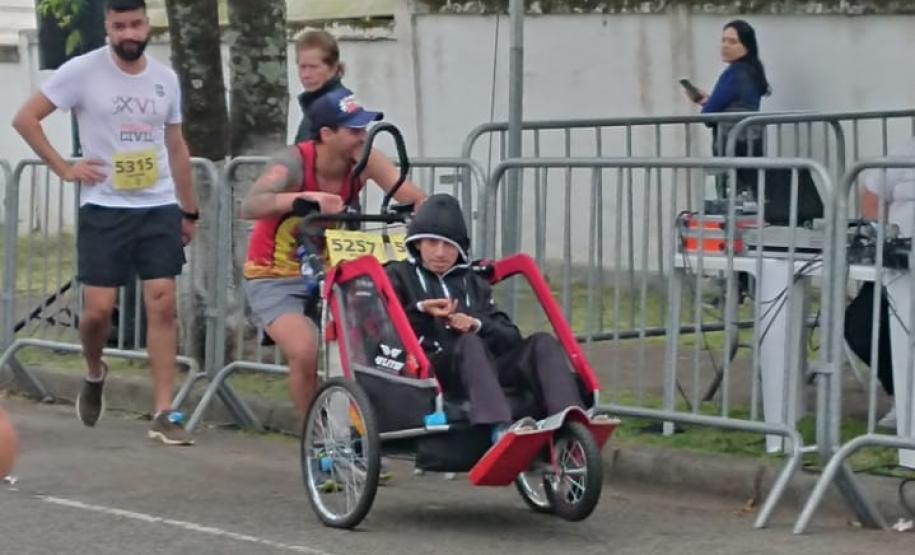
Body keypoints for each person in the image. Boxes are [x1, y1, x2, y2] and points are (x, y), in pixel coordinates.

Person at [11, 0, 197, 445]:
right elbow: (25, 119)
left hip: (157, 204)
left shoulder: (165, 78)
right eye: (119, 26)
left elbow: (176, 145)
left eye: (136, 24)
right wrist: (64, 167)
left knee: (162, 304)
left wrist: (188, 209)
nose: (129, 34)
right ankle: (95, 371)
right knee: (96, 312)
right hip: (105, 206)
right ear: (107, 28)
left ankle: (164, 411)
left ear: (147, 24)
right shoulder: (82, 71)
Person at [241, 86, 426, 422]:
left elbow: (412, 197)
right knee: (305, 350)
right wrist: (305, 198)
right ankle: (317, 433)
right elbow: (251, 205)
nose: (363, 136)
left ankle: (363, 429)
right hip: (273, 274)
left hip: (332, 270)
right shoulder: (293, 162)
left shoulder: (365, 158)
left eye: (364, 128)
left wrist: (432, 220)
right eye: (354, 130)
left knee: (376, 341)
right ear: (326, 134)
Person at [385, 194, 584, 442]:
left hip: (484, 368)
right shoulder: (398, 275)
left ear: (460, 249)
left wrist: (476, 324)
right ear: (417, 244)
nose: (440, 253)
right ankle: (499, 427)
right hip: (432, 371)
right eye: (432, 242)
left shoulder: (473, 283)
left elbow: (510, 336)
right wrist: (422, 310)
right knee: (468, 343)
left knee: (541, 342)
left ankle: (571, 421)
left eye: (449, 245)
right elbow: (384, 328)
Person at [857, 138, 915, 459]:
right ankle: (903, 396)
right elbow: (872, 193)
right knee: (861, 325)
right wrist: (881, 234)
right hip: (897, 262)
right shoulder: (909, 149)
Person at [687, 19, 771, 157]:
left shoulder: (734, 74)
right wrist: (707, 101)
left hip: (731, 146)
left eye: (733, 42)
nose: (725, 46)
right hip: (751, 144)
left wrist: (708, 104)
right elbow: (737, 105)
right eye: (723, 40)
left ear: (746, 46)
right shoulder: (753, 72)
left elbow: (708, 116)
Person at [293, 30, 346, 144]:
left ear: (333, 68)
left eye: (313, 67)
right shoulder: (316, 102)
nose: (306, 75)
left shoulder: (331, 106)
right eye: (302, 67)